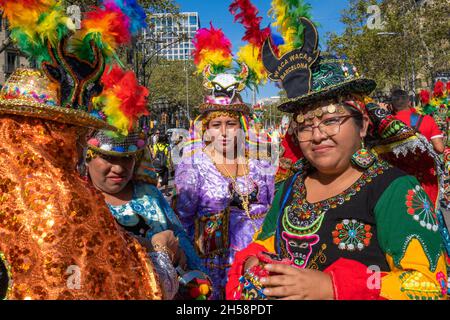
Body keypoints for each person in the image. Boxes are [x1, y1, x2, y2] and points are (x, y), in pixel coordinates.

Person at [226, 15, 449, 300]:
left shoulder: (394, 189)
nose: (317, 135)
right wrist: (254, 262)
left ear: (364, 124)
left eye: (331, 120)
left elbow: (431, 285)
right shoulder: (289, 187)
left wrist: (331, 287)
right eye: (305, 125)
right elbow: (264, 242)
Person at [0, 1, 163, 299]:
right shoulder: (63, 195)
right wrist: (161, 257)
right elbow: (121, 281)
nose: (76, 143)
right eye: (75, 131)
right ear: (54, 133)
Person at [174, 24, 276, 299]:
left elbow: (272, 210)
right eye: (216, 124)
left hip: (257, 265)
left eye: (230, 124)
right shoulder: (193, 164)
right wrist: (190, 272)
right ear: (205, 129)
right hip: (212, 267)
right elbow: (182, 223)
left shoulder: (261, 162)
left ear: (242, 126)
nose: (223, 131)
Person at [84, 129, 207, 299]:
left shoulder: (149, 192)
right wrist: (155, 246)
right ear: (87, 157)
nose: (119, 168)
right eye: (108, 157)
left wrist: (198, 276)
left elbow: (179, 234)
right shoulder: (81, 203)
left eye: (127, 158)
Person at [391, 89, 445, 154]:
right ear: (409, 103)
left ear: (391, 106)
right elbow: (440, 149)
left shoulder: (388, 122)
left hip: (397, 163)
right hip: (423, 162)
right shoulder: (427, 120)